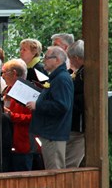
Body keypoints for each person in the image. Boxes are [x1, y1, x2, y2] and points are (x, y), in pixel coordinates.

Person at [27, 46, 74, 170]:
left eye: (47, 58)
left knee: (55, 171)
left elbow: (61, 105)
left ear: (57, 60)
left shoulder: (62, 79)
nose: (43, 61)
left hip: (53, 133)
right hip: (50, 132)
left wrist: (38, 105)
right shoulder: (57, 77)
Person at [1, 59, 34, 171]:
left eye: (4, 72)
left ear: (14, 73)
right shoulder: (7, 90)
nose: (2, 76)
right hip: (8, 142)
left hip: (22, 144)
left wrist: (11, 115)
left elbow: (33, 118)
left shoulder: (28, 91)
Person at [66, 40, 85, 168]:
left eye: (70, 59)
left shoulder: (83, 74)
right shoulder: (79, 73)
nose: (70, 62)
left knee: (70, 164)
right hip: (76, 124)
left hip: (78, 125)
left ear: (76, 58)